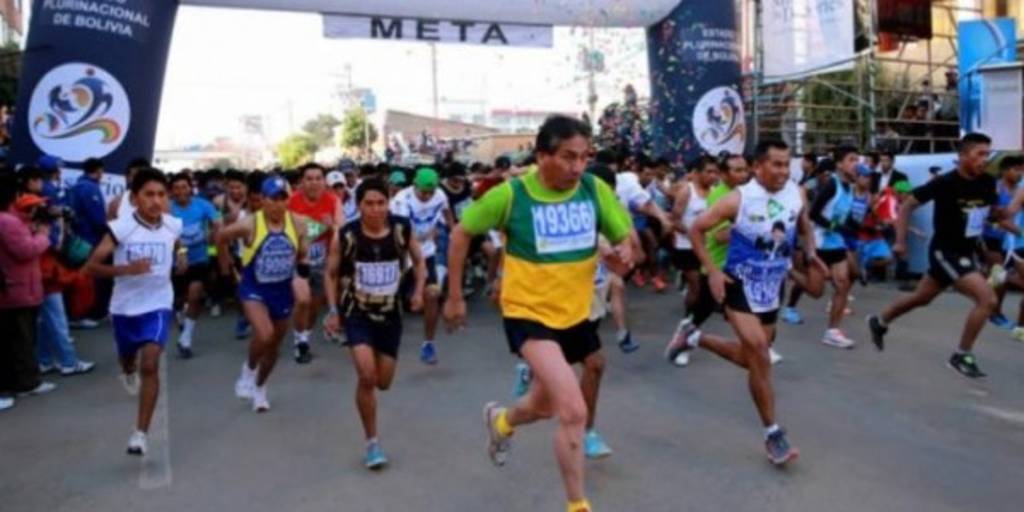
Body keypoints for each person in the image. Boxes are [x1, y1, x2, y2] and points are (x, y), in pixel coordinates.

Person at [444, 115, 633, 512]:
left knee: (542, 407)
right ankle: (577, 504)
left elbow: (624, 239)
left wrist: (623, 254)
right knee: (574, 410)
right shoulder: (512, 195)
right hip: (528, 314)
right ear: (542, 156)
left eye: (584, 157)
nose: (578, 167)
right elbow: (461, 233)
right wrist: (455, 296)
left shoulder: (593, 189)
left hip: (576, 314)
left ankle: (501, 421)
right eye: (568, 157)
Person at [665, 140, 825, 466]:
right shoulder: (737, 199)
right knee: (760, 352)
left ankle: (694, 337)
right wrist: (712, 271)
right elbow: (697, 230)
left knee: (750, 359)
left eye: (787, 164)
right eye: (776, 164)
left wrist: (811, 254)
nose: (783, 171)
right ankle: (773, 434)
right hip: (739, 284)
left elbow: (805, 225)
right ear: (758, 167)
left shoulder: (797, 193)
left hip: (772, 287)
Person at [868, 133, 998, 379]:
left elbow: (987, 216)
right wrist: (900, 241)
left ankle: (880, 321)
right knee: (987, 299)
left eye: (987, 154)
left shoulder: (988, 182)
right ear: (963, 156)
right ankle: (961, 355)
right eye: (979, 154)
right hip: (945, 252)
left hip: (967, 251)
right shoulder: (945, 183)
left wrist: (995, 232)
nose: (984, 159)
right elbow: (907, 205)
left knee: (921, 298)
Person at [324, 178, 426, 469]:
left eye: (381, 203)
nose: (376, 209)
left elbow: (419, 261)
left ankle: (371, 403)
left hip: (391, 315)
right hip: (357, 313)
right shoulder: (347, 235)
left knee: (383, 382)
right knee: (367, 376)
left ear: (388, 204)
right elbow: (330, 274)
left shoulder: (402, 229)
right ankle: (372, 443)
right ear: (359, 206)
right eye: (369, 203)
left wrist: (419, 291)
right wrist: (333, 310)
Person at [83, 169, 184, 455]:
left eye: (161, 195)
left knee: (150, 363)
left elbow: (178, 244)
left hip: (158, 302)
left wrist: (181, 257)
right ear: (135, 198)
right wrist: (127, 269)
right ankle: (127, 369)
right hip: (125, 307)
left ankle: (140, 433)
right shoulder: (120, 228)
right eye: (149, 195)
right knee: (128, 359)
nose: (156, 201)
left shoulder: (173, 224)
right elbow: (91, 267)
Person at [218, 175, 307, 412]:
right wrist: (227, 267)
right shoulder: (250, 224)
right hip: (253, 288)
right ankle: (248, 370)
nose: (278, 204)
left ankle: (260, 387)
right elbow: (220, 237)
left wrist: (301, 273)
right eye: (273, 199)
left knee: (274, 346)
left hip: (282, 289)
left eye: (282, 199)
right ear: (263, 200)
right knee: (265, 334)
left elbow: (303, 253)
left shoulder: (298, 223)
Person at [0, 187, 58, 406]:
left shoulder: (14, 221)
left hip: (20, 288)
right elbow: (25, 250)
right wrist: (43, 234)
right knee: (21, 339)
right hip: (17, 289)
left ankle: (21, 381)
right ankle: (26, 383)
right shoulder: (8, 222)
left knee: (21, 338)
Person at [390, 167, 453, 365]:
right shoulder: (402, 201)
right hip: (401, 253)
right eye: (423, 192)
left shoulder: (440, 195)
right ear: (414, 186)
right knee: (389, 298)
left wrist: (453, 231)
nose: (427, 196)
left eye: (430, 192)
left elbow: (447, 213)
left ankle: (428, 344)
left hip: (427, 252)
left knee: (432, 295)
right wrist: (425, 235)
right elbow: (403, 235)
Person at [287, 162, 344, 364]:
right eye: (309, 179)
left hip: (322, 262)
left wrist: (332, 226)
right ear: (301, 182)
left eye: (318, 178)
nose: (314, 183)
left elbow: (341, 228)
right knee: (302, 301)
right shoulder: (291, 202)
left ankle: (304, 338)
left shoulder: (333, 200)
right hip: (298, 260)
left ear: (324, 182)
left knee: (314, 305)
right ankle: (298, 340)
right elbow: (288, 231)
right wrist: (316, 228)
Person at [807, 145, 860, 348]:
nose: (856, 164)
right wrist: (834, 226)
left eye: (857, 160)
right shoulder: (831, 185)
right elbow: (813, 213)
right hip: (819, 243)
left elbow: (844, 217)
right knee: (815, 291)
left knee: (843, 285)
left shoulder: (851, 188)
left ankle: (832, 331)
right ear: (839, 164)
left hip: (836, 243)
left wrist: (857, 227)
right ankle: (791, 271)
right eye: (851, 159)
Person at [169, 173, 223, 359]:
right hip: (175, 262)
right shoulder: (168, 209)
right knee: (179, 299)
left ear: (190, 188)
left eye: (184, 187)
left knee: (195, 294)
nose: (181, 191)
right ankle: (179, 312)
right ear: (171, 191)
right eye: (176, 188)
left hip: (200, 259)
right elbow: (167, 234)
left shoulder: (203, 205)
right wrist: (181, 253)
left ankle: (186, 338)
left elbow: (217, 222)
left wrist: (215, 233)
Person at [671, 155, 718, 320]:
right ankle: (688, 319)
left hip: (707, 248)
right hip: (686, 247)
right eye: (708, 172)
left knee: (705, 286)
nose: (713, 176)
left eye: (715, 172)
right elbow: (675, 220)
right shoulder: (686, 191)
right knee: (696, 286)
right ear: (697, 173)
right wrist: (693, 234)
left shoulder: (715, 193)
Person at [68, 158, 110, 327]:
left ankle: (78, 314)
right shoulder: (89, 188)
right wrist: (108, 233)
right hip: (89, 239)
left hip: (79, 239)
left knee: (80, 276)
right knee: (88, 278)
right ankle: (82, 314)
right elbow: (97, 218)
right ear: (98, 171)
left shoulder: (76, 186)